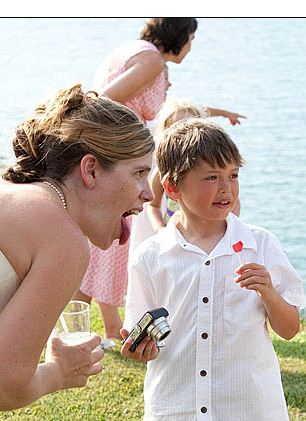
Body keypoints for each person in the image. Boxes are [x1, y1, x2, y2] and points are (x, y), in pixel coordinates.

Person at [0, 84, 155, 411]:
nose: (148, 194)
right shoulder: (64, 240)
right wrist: (60, 373)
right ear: (90, 170)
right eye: (138, 173)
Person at [120, 118, 306, 421]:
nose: (227, 189)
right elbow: (139, 338)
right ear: (172, 187)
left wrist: (268, 292)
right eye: (211, 177)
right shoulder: (150, 256)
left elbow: (290, 328)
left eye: (233, 175)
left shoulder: (261, 245)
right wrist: (139, 348)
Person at [77, 18, 245, 349]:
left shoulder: (133, 51)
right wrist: (126, 144)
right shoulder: (152, 59)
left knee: (103, 247)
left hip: (114, 156)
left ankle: (91, 329)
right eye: (191, 38)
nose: (191, 46)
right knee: (113, 246)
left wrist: (220, 111)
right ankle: (105, 330)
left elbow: (167, 110)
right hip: (119, 157)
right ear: (179, 36)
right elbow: (102, 101)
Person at [129, 97, 243, 256]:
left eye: (233, 175)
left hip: (212, 230)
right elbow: (153, 206)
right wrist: (160, 230)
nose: (185, 133)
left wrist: (230, 226)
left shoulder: (216, 169)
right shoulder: (160, 172)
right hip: (176, 232)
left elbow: (234, 202)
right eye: (176, 127)